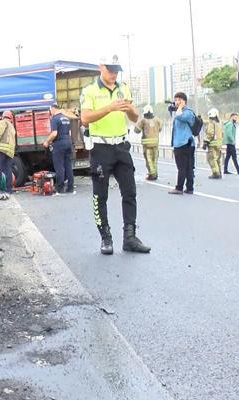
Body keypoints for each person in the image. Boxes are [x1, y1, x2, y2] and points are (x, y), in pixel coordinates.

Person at [80, 59, 151, 255]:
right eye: (110, 70)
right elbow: (85, 119)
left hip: (121, 146)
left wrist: (130, 109)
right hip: (100, 148)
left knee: (130, 192)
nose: (113, 74)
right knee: (100, 196)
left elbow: (136, 118)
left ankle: (130, 237)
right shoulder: (90, 91)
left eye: (116, 71)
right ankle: (105, 237)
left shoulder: (124, 89)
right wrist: (109, 108)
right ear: (100, 68)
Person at [43, 104, 75, 194]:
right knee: (68, 166)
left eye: (50, 110)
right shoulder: (66, 118)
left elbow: (54, 133)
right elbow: (70, 133)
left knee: (59, 166)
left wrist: (47, 142)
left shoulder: (55, 119)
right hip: (68, 142)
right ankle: (70, 188)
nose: (50, 112)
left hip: (59, 144)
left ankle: (59, 188)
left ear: (53, 109)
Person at [169, 92, 196, 194]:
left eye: (179, 100)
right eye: (175, 100)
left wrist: (179, 107)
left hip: (184, 144)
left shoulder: (188, 112)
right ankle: (189, 188)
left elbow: (180, 117)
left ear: (184, 101)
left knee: (182, 167)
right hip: (183, 143)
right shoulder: (180, 111)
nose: (176, 102)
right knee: (187, 167)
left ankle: (179, 188)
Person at [0, 110, 16, 193]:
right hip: (10, 152)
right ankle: (9, 189)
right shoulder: (12, 126)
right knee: (8, 170)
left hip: (1, 150)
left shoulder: (2, 122)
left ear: (3, 116)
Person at [134, 105, 162, 181]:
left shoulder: (143, 120)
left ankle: (152, 175)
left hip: (147, 145)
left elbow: (136, 130)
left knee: (149, 160)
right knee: (155, 160)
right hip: (156, 144)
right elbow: (160, 129)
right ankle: (154, 173)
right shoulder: (157, 119)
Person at [203, 108, 223, 179]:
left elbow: (210, 133)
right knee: (217, 159)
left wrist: (205, 142)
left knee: (211, 159)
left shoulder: (211, 123)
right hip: (219, 144)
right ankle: (219, 172)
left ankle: (215, 173)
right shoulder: (219, 123)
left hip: (212, 144)